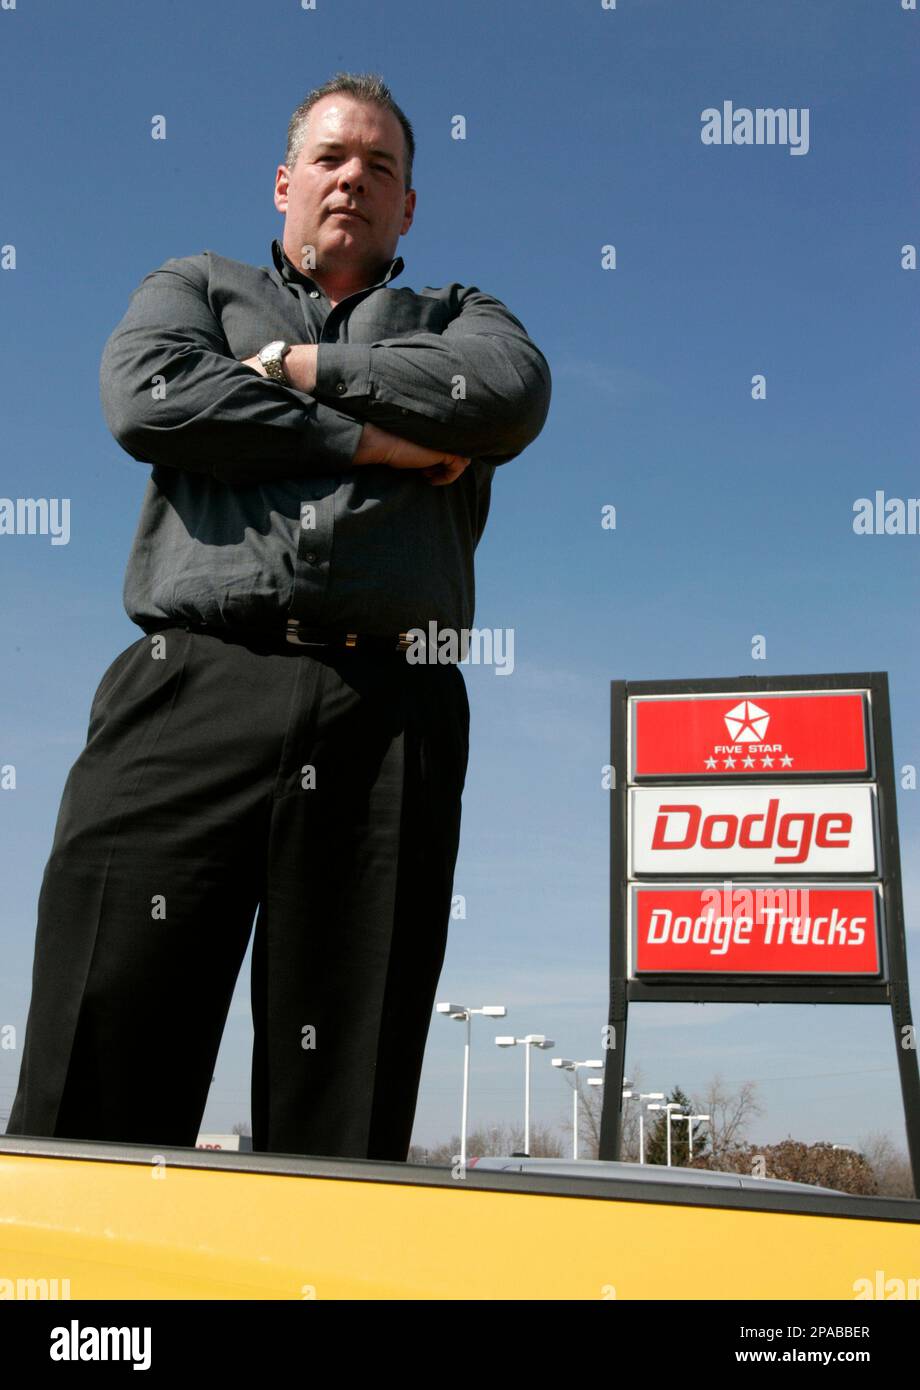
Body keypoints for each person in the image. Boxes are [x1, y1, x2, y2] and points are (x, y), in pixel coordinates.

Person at [6, 72, 551, 1159]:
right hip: (188, 686)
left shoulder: (462, 318)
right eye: (332, 157)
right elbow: (149, 392)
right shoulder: (194, 287)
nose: (354, 177)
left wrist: (299, 368)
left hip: (388, 711)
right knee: (102, 1036)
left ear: (407, 208)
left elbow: (503, 394)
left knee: (341, 1090)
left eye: (381, 166)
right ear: (283, 182)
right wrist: (369, 440)